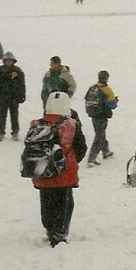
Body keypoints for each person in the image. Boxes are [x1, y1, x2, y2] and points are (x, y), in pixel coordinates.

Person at [29, 91, 81, 247]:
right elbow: (81, 147)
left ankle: (50, 229)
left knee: (47, 203)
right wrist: (70, 161)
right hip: (64, 175)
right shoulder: (70, 125)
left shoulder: (37, 124)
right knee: (64, 204)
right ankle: (59, 234)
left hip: (42, 172)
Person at [0, 51, 26, 142]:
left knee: (14, 115)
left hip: (14, 97)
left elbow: (22, 84)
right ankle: (1, 132)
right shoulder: (0, 70)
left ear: (13, 61)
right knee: (2, 115)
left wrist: (22, 95)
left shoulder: (18, 71)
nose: (9, 62)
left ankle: (15, 132)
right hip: (3, 96)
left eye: (10, 61)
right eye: (7, 61)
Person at [85, 70, 118, 167]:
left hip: (93, 113)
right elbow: (112, 105)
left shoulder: (92, 88)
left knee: (100, 132)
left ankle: (106, 151)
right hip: (102, 115)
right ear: (107, 78)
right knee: (99, 135)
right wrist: (115, 101)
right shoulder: (107, 89)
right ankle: (92, 158)